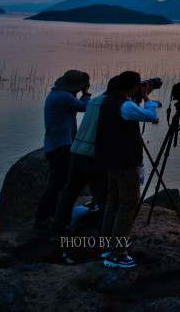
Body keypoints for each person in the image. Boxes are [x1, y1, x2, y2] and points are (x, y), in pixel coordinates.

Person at [95, 71, 159, 268]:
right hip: (126, 163)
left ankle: (107, 243)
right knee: (128, 205)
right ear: (132, 87)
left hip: (111, 162)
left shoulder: (108, 101)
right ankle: (117, 251)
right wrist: (147, 97)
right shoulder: (125, 105)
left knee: (113, 203)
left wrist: (137, 97)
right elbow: (152, 116)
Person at [51, 80, 112, 242]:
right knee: (103, 197)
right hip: (92, 154)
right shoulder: (114, 104)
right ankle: (104, 238)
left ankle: (58, 229)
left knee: (69, 191)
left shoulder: (94, 102)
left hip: (77, 150)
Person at [35, 70, 91, 228]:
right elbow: (85, 106)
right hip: (61, 146)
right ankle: (43, 217)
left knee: (58, 183)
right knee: (56, 183)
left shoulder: (58, 95)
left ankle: (50, 215)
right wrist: (86, 93)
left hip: (57, 145)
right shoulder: (63, 97)